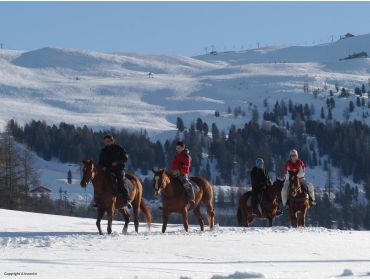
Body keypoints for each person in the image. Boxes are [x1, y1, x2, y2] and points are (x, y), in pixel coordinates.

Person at [98, 134, 131, 209]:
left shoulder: (119, 148)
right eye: (105, 142)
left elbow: (125, 158)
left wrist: (117, 162)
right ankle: (98, 200)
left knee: (121, 181)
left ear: (112, 141)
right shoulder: (103, 151)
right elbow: (100, 162)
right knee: (99, 181)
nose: (107, 143)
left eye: (108, 141)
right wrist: (102, 167)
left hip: (118, 169)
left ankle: (127, 200)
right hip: (107, 171)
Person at [171, 141, 195, 210]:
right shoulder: (176, 155)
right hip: (175, 173)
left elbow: (186, 166)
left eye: (179, 148)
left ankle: (191, 199)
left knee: (187, 184)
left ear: (183, 148)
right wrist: (173, 170)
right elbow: (174, 164)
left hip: (183, 174)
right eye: (176, 148)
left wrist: (179, 170)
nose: (177, 149)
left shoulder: (186, 156)